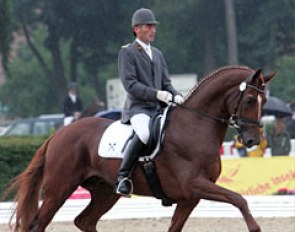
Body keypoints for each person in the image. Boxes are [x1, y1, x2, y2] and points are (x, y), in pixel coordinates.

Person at [116, 8, 184, 197]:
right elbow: (130, 84)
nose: (153, 30)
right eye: (148, 26)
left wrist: (177, 96)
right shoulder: (128, 52)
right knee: (145, 134)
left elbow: (166, 83)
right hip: (138, 108)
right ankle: (123, 176)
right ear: (136, 29)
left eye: (154, 26)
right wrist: (156, 94)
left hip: (158, 108)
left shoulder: (158, 54)